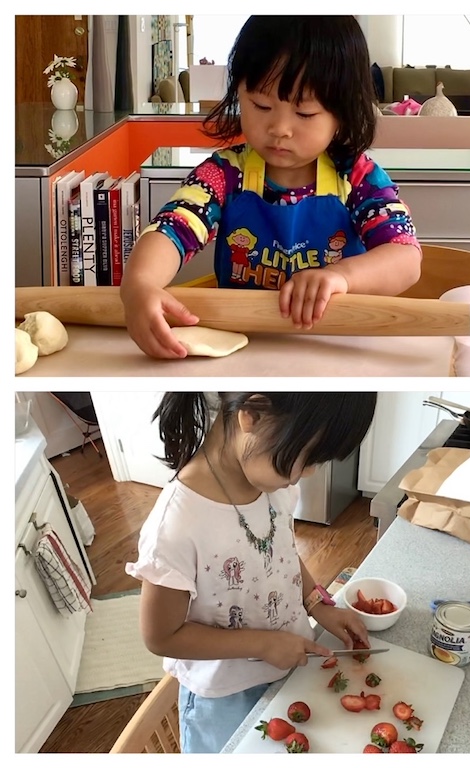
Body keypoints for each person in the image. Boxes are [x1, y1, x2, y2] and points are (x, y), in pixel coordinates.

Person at [121, 16, 421, 359]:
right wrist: (140, 283)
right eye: (261, 106)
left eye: (304, 113)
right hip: (242, 351)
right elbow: (172, 229)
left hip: (335, 349)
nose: (279, 128)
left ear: (342, 112)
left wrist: (342, 277)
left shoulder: (356, 178)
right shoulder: (225, 173)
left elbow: (405, 257)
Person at [125, 392, 377, 752]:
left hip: (287, 672)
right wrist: (261, 643)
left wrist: (319, 604)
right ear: (253, 415)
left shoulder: (273, 487)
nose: (308, 473)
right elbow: (161, 637)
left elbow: (283, 555)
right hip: (224, 700)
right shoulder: (177, 525)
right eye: (309, 457)